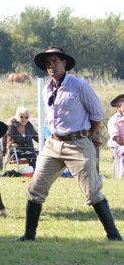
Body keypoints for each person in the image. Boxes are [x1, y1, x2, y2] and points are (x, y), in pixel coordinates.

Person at [19, 46, 122, 241]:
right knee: (35, 189)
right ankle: (29, 236)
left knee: (92, 191)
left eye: (55, 62)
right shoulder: (47, 88)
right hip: (53, 144)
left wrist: (89, 135)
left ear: (64, 63)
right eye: (48, 63)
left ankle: (114, 235)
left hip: (78, 144)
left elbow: (96, 114)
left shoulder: (79, 86)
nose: (51, 66)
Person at [107, 94, 124, 178]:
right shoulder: (113, 120)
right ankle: (120, 175)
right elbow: (117, 139)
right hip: (116, 145)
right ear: (118, 107)